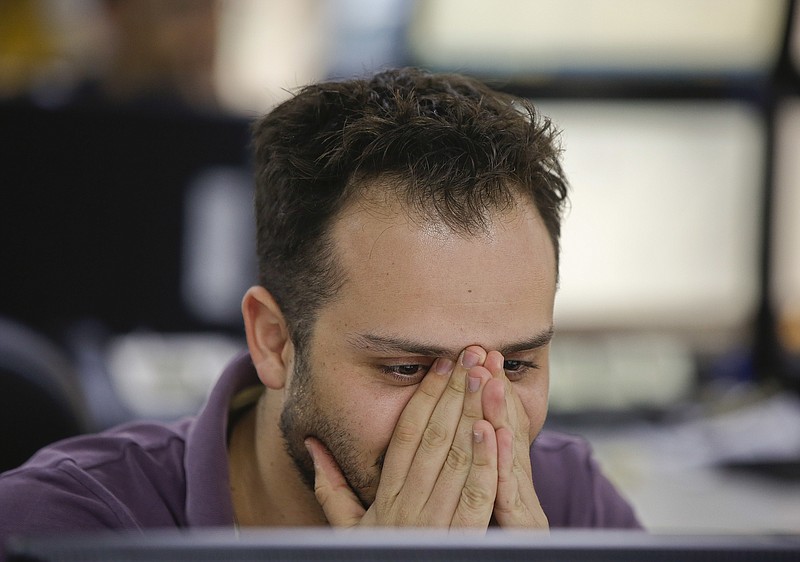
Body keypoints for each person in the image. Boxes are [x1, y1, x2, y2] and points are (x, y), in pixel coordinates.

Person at [0, 68, 639, 554]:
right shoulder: (66, 528)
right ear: (274, 341)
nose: (475, 417)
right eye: (408, 369)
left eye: (519, 363)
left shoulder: (569, 497)